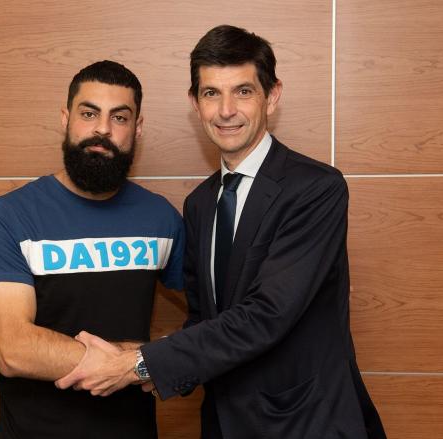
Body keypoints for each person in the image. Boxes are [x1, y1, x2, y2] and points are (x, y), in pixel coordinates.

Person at [55, 26, 387, 439]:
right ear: (195, 103)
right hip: (224, 423)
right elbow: (207, 320)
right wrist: (138, 355)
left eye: (243, 91)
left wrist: (138, 364)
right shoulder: (199, 204)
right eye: (212, 93)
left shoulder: (316, 188)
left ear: (273, 94)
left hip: (306, 423)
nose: (226, 110)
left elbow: (266, 316)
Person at [0, 60, 184, 439]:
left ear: (138, 128)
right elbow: (13, 348)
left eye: (120, 117)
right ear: (65, 118)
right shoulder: (10, 217)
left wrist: (144, 361)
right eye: (89, 113)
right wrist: (134, 362)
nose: (102, 129)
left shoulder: (161, 218)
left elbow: (216, 321)